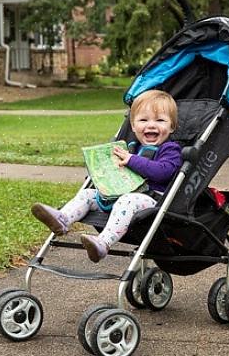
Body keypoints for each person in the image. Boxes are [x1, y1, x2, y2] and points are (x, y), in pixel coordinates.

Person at [31, 90, 182, 262]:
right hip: (118, 196)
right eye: (143, 120)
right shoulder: (128, 147)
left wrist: (131, 160)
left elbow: (162, 172)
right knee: (88, 194)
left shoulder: (170, 150)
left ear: (171, 126)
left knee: (128, 200)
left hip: (150, 200)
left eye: (160, 120)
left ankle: (103, 243)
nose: (151, 125)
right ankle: (63, 219)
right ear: (133, 126)